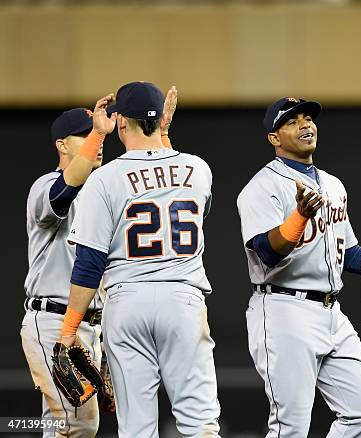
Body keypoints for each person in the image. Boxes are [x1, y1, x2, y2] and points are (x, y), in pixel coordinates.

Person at [237, 97, 361, 437]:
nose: (305, 125)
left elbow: (350, 254)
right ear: (274, 138)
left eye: (308, 118)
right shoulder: (261, 188)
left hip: (330, 312)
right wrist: (299, 219)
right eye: (292, 121)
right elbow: (265, 252)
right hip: (283, 309)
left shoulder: (332, 184)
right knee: (290, 427)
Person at [58, 82, 220, 438]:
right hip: (183, 299)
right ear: (161, 120)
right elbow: (179, 187)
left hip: (127, 301)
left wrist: (69, 331)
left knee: (136, 429)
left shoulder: (103, 179)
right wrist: (164, 132)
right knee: (199, 422)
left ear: (120, 123)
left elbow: (88, 263)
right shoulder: (199, 169)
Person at [21, 103, 107, 437]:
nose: (95, 143)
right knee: (72, 426)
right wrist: (100, 132)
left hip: (90, 326)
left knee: (70, 425)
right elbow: (63, 193)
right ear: (61, 145)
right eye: (84, 135)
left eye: (96, 136)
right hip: (54, 321)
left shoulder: (103, 194)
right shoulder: (45, 185)